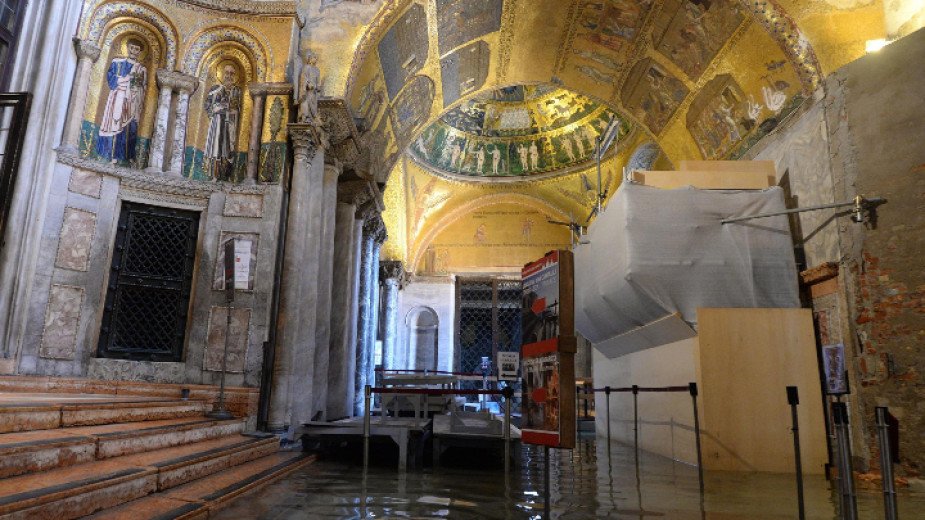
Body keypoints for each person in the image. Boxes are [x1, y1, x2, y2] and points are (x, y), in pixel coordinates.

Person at [96, 38, 147, 165]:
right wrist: (122, 80)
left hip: (132, 101)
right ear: (127, 48)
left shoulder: (141, 69)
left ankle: (127, 157)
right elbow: (111, 78)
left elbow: (143, 86)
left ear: (140, 52)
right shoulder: (117, 62)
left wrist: (135, 93)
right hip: (117, 98)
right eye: (132, 48)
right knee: (114, 123)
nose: (134, 51)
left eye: (137, 49)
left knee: (130, 127)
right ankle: (110, 155)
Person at [204, 63, 242, 180]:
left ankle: (226, 174)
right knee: (216, 146)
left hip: (230, 123)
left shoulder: (236, 91)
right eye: (227, 73)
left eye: (232, 73)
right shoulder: (215, 89)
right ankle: (213, 174)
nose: (229, 76)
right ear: (222, 74)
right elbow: (208, 105)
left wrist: (231, 109)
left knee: (228, 147)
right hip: (217, 122)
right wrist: (217, 108)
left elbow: (237, 108)